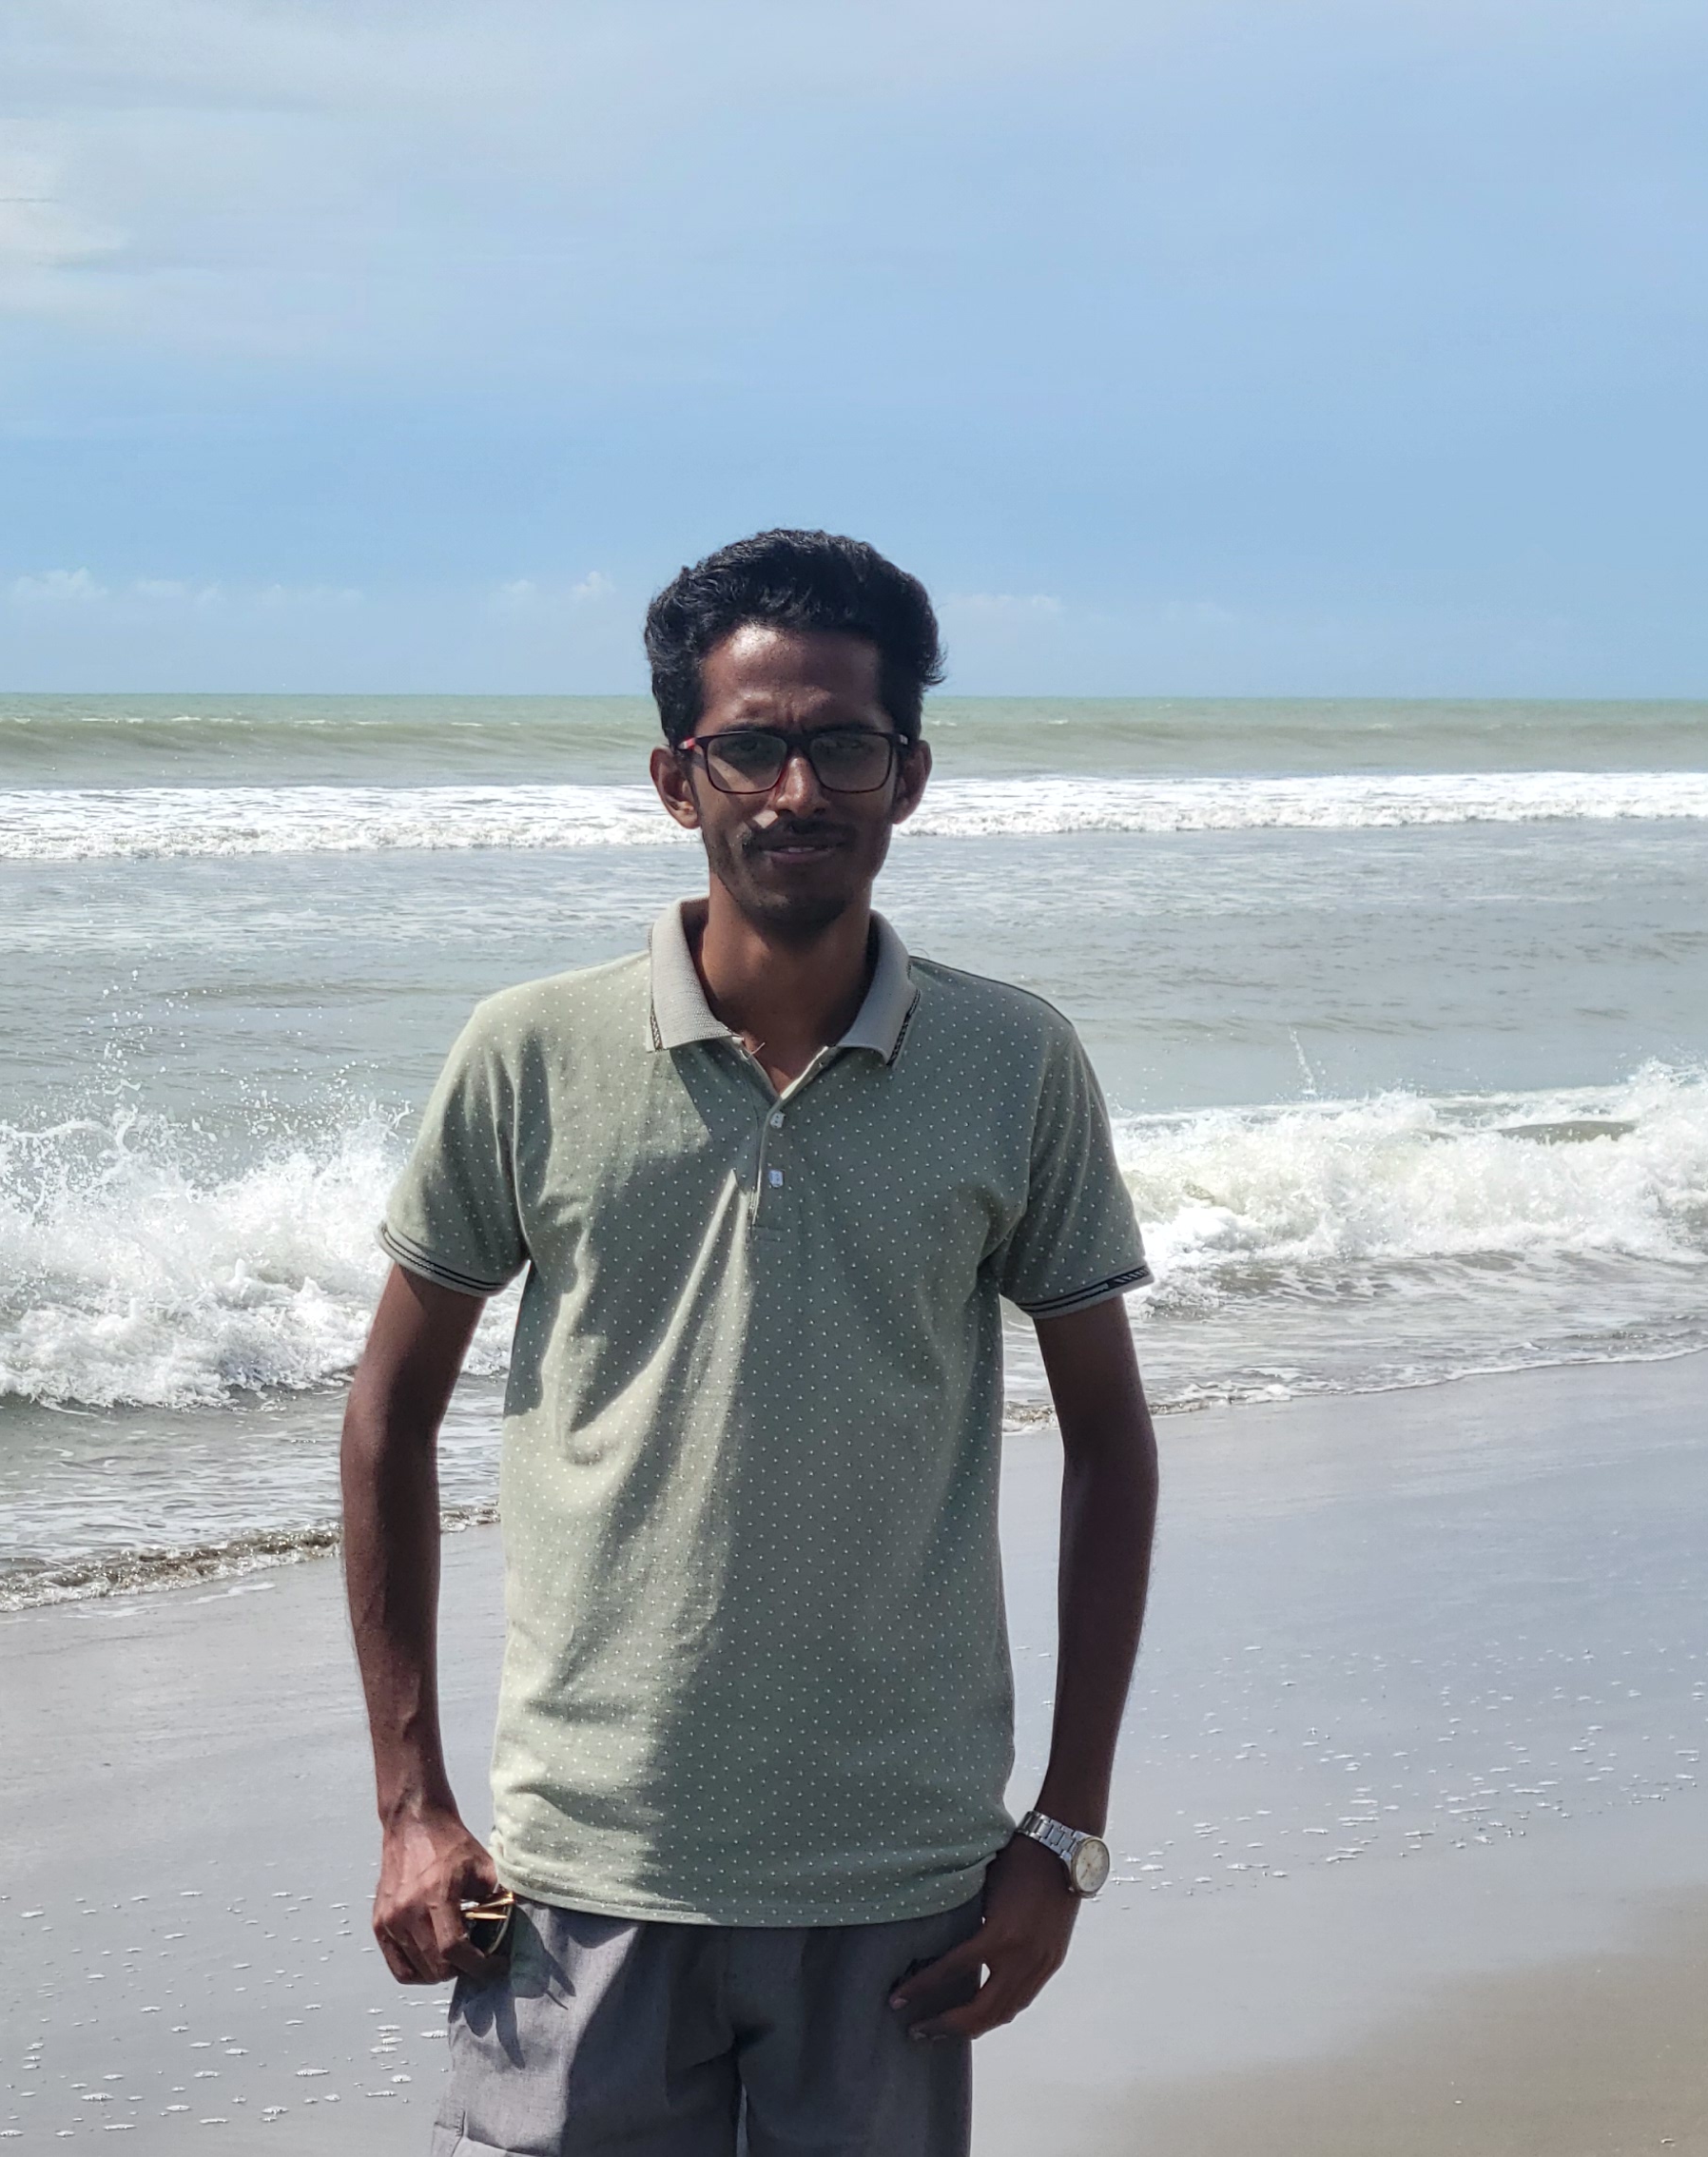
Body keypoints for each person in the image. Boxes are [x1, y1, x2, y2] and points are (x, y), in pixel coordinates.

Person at [339, 528, 1164, 2155]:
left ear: (908, 775)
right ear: (677, 777)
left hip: (897, 1878)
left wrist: (1066, 1833)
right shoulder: (529, 1054)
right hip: (582, 1872)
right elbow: (388, 1416)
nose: (798, 790)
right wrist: (410, 1804)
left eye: (845, 744)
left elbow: (1112, 1444)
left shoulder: (1012, 1064)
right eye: (751, 748)